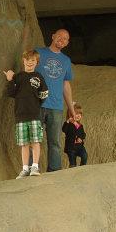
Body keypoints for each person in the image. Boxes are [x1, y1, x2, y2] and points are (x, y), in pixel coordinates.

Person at [5, 50, 50, 178]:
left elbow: (44, 94)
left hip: (34, 115)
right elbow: (11, 93)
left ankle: (35, 166)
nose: (30, 62)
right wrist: (10, 80)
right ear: (23, 61)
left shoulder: (38, 77)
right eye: (27, 60)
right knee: (24, 143)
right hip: (20, 115)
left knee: (35, 142)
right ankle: (25, 169)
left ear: (37, 62)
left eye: (33, 60)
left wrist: (35, 104)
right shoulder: (18, 77)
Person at [37, 29, 76, 171]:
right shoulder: (38, 52)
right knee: (33, 140)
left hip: (56, 106)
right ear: (53, 36)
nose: (62, 39)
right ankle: (30, 170)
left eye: (65, 38)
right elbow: (27, 71)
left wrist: (71, 109)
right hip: (37, 104)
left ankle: (54, 171)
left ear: (67, 43)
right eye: (60, 36)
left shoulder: (66, 60)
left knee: (55, 142)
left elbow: (66, 85)